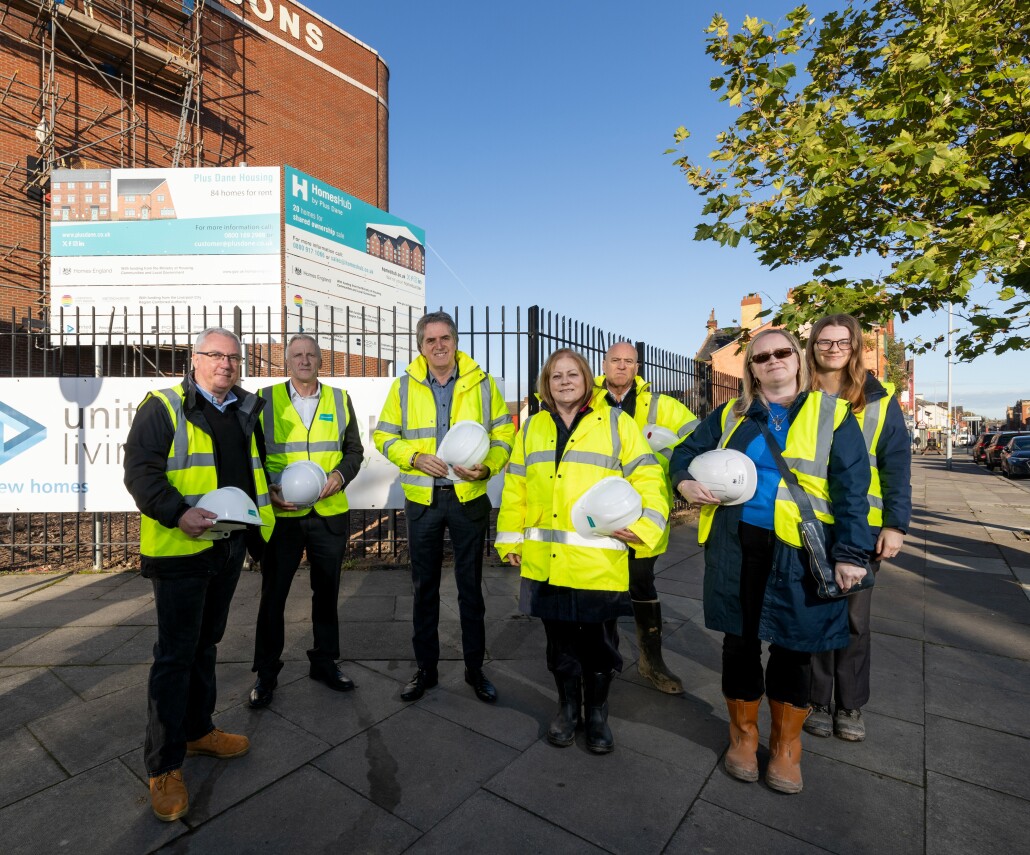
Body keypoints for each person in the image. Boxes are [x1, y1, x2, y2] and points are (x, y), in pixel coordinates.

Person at [669, 328, 872, 794]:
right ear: (752, 370)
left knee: (795, 647)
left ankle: (786, 747)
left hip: (800, 548)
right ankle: (742, 736)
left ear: (799, 360)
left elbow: (852, 490)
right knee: (739, 642)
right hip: (737, 542)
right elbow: (684, 453)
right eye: (762, 357)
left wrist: (852, 554)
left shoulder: (832, 414)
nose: (773, 361)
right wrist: (683, 482)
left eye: (782, 352)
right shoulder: (731, 414)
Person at [123, 327, 275, 822]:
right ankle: (164, 765)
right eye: (216, 356)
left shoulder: (244, 410)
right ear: (195, 360)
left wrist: (259, 528)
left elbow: (244, 475)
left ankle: (198, 731)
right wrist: (176, 513)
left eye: (234, 357)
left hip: (227, 546)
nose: (226, 364)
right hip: (181, 549)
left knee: (206, 644)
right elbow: (141, 473)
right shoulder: (163, 406)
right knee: (174, 656)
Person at [496, 348, 669, 753]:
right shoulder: (533, 428)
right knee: (559, 646)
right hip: (546, 563)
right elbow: (516, 487)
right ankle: (568, 708)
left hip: (597, 563)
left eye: (572, 374)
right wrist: (509, 539)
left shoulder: (615, 423)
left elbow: (649, 478)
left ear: (587, 378)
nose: (564, 382)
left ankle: (597, 714)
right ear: (546, 383)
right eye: (556, 376)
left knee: (600, 646)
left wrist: (645, 526)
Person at [373, 311, 514, 704]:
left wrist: (489, 465)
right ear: (420, 346)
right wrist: (414, 457)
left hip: (468, 497)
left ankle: (474, 669)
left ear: (455, 341)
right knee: (424, 590)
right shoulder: (404, 386)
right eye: (430, 340)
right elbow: (384, 435)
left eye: (445, 338)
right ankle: (425, 670)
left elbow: (504, 433)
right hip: (423, 499)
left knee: (471, 589)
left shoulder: (482, 384)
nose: (438, 345)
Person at [802, 314, 911, 742]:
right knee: (812, 615)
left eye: (841, 342)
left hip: (861, 528)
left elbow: (896, 466)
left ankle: (850, 705)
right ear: (812, 348)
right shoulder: (800, 395)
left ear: (855, 347)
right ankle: (816, 699)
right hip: (806, 523)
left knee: (854, 621)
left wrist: (895, 525)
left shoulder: (879, 401)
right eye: (823, 342)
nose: (832, 349)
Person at [248, 334, 364, 709]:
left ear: (320, 360)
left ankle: (325, 662)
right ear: (287, 361)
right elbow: (251, 454)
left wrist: (341, 476)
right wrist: (267, 487)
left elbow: (353, 451)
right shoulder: (264, 400)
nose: (304, 360)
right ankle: (266, 675)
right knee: (273, 596)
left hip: (328, 513)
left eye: (310, 354)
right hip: (283, 515)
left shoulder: (339, 399)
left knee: (327, 593)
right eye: (297, 355)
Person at [591, 341, 699, 694]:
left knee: (641, 582)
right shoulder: (586, 402)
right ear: (604, 364)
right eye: (615, 361)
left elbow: (698, 442)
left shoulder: (662, 406)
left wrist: (679, 472)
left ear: (637, 368)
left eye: (629, 362)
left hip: (645, 512)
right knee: (598, 585)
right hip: (600, 511)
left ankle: (652, 663)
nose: (621, 366)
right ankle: (600, 662)